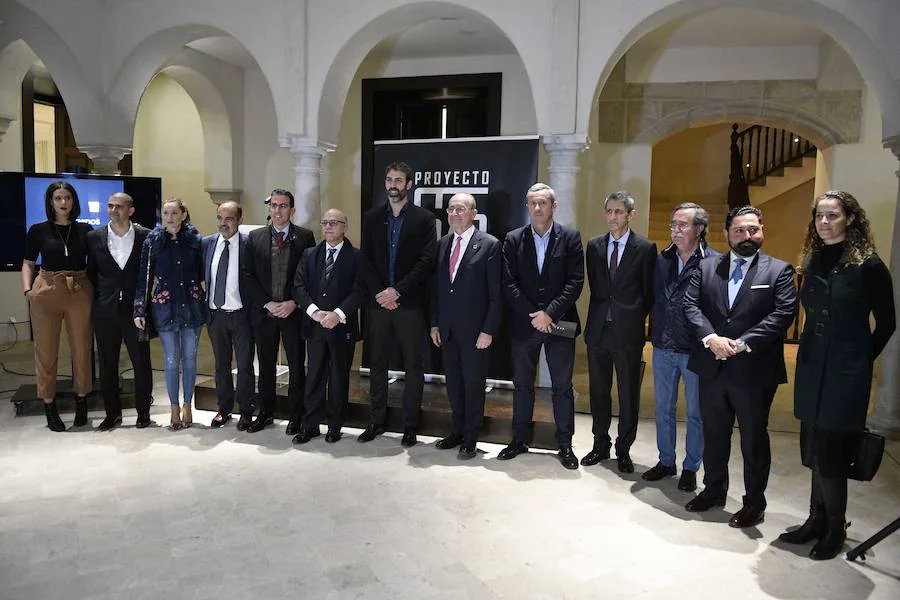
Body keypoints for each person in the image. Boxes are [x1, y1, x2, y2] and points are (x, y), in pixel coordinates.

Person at [779, 191, 895, 559]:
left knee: (831, 452)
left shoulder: (869, 265)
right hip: (813, 364)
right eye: (819, 217)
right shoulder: (814, 259)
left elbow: (888, 323)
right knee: (814, 447)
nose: (824, 223)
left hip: (846, 370)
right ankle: (815, 519)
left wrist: (860, 360)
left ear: (850, 219)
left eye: (832, 216)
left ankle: (834, 527)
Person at [683, 205, 796, 528]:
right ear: (727, 234)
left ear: (762, 230)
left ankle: (753, 503)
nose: (747, 236)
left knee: (753, 439)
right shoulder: (705, 268)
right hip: (712, 365)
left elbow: (782, 314)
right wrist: (710, 339)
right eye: (740, 231)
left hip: (754, 371)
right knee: (715, 434)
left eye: (753, 230)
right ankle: (713, 490)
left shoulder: (779, 271)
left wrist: (742, 342)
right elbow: (691, 306)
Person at [498, 183, 584, 470]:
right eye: (532, 203)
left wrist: (550, 313)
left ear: (553, 206)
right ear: (527, 207)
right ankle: (519, 438)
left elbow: (575, 282)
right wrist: (534, 315)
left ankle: (565, 445)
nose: (537, 208)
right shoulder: (512, 239)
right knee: (522, 385)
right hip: (525, 324)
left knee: (562, 387)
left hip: (560, 322)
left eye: (543, 203)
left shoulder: (571, 237)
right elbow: (508, 283)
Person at [358, 161, 436, 447]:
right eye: (389, 179)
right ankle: (376, 421)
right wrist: (382, 292)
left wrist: (397, 292)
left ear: (409, 184)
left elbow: (426, 261)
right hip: (378, 305)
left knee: (413, 367)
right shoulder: (371, 217)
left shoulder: (424, 219)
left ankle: (410, 426)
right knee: (377, 365)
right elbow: (365, 259)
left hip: (409, 305)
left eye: (399, 180)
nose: (393, 185)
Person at [643, 202, 718, 491]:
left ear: (699, 229)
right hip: (663, 345)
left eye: (682, 225)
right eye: (673, 224)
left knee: (696, 412)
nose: (675, 230)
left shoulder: (713, 262)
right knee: (663, 408)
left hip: (696, 349)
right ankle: (666, 461)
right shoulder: (662, 259)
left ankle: (690, 467)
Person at [581, 191, 656, 473]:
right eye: (609, 211)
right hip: (598, 330)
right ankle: (600, 445)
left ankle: (623, 449)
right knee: (599, 392)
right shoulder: (595, 246)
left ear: (630, 215)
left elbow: (649, 294)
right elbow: (598, 289)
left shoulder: (645, 248)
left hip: (628, 333)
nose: (613, 217)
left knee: (627, 395)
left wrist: (633, 317)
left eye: (618, 212)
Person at [430, 193, 502, 459]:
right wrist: (435, 323)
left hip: (476, 332)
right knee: (454, 384)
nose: (455, 213)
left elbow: (496, 294)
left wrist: (488, 330)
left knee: (473, 384)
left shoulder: (490, 245)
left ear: (473, 213)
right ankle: (457, 430)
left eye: (461, 209)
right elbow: (438, 289)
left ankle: (471, 435)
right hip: (447, 329)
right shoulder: (443, 244)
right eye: (451, 209)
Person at [22, 181, 94, 431]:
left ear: (74, 202)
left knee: (82, 348)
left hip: (79, 289)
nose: (63, 202)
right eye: (58, 198)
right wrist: (28, 291)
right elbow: (28, 263)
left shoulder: (85, 230)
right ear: (50, 202)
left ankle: (82, 400)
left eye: (67, 198)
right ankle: (49, 406)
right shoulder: (38, 230)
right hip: (47, 289)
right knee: (46, 351)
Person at [243, 189, 316, 433]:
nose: (277, 210)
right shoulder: (255, 237)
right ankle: (265, 413)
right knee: (265, 366)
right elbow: (247, 275)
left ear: (292, 210)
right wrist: (267, 303)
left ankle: (297, 415)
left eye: (283, 206)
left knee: (296, 365)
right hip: (265, 314)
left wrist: (293, 302)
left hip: (293, 313)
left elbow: (310, 277)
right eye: (273, 206)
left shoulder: (305, 237)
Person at [291, 209, 365, 444]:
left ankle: (335, 425)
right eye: (325, 223)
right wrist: (313, 311)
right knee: (313, 377)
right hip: (315, 326)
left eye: (334, 223)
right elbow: (299, 287)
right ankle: (310, 425)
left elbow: (360, 290)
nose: (329, 227)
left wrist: (338, 314)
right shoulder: (310, 254)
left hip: (341, 327)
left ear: (345, 227)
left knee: (338, 378)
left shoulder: (356, 257)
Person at [134, 197, 208, 430]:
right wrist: (139, 307)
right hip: (165, 306)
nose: (170, 217)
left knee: (190, 357)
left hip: (192, 305)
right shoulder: (152, 241)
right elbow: (144, 276)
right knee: (170, 359)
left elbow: (203, 271)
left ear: (183, 214)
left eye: (174, 213)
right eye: (166, 213)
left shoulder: (196, 240)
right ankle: (174, 407)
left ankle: (188, 405)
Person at [85, 192, 153, 430]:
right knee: (107, 364)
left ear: (131, 210)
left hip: (136, 312)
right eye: (110, 206)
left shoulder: (146, 236)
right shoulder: (94, 237)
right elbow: (92, 273)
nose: (114, 210)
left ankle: (143, 412)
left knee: (142, 364)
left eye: (119, 206)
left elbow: (148, 272)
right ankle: (112, 414)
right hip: (105, 311)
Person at [202, 201, 256, 431]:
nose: (224, 223)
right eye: (220, 218)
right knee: (221, 365)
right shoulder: (207, 244)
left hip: (242, 315)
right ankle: (223, 409)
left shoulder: (249, 245)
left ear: (240, 220)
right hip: (216, 315)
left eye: (229, 218)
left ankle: (246, 411)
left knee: (244, 365)